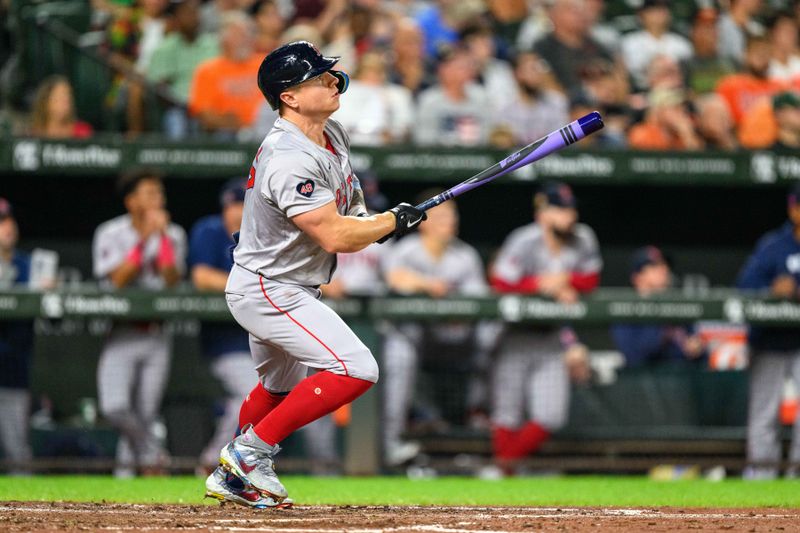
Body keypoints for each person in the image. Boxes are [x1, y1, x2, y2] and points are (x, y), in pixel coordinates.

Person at [202, 41, 427, 508]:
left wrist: (378, 221)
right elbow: (334, 236)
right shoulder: (287, 156)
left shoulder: (332, 133)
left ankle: (234, 478)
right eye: (318, 76)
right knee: (356, 367)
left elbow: (349, 205)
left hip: (287, 282)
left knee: (277, 388)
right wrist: (389, 223)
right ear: (289, 96)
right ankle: (248, 453)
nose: (331, 80)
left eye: (330, 73)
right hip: (270, 286)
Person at [486, 181, 598, 476]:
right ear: (542, 213)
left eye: (570, 208)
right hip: (515, 336)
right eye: (560, 209)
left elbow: (591, 279)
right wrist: (539, 284)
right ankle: (505, 476)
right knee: (506, 416)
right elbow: (501, 283)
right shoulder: (523, 240)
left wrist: (565, 281)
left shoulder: (583, 238)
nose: (568, 216)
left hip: (550, 338)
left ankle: (501, 468)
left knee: (551, 415)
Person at [380, 191, 489, 466]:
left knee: (491, 335)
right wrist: (429, 285)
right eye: (442, 215)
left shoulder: (465, 255)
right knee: (399, 353)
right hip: (415, 335)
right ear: (424, 221)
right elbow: (395, 279)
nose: (449, 221)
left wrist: (454, 309)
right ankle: (391, 441)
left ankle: (480, 423)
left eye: (453, 215)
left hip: (455, 337)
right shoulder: (407, 249)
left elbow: (481, 299)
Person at [92, 168, 187, 477]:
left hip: (157, 334)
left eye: (159, 194)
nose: (157, 200)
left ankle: (126, 476)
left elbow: (171, 279)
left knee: (145, 415)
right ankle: (153, 453)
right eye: (149, 194)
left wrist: (160, 237)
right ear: (131, 202)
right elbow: (118, 280)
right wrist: (144, 237)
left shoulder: (173, 234)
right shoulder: (110, 232)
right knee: (114, 406)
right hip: (122, 332)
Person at [737, 183, 800, 479]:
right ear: (792, 208)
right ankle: (762, 477)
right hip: (771, 340)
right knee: (764, 414)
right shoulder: (773, 245)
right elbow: (745, 288)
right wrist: (772, 291)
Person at [189, 178, 252, 474]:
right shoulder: (209, 230)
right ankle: (214, 459)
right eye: (233, 204)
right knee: (250, 392)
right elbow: (201, 277)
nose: (238, 211)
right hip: (225, 342)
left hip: (262, 338)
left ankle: (242, 461)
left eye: (244, 204)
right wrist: (250, 287)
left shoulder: (262, 233)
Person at [611, 246, 704, 368]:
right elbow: (634, 356)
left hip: (681, 380)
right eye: (655, 266)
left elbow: (699, 351)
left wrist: (697, 349)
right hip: (643, 383)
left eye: (664, 265)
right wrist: (663, 333)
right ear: (637, 277)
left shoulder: (678, 306)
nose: (664, 270)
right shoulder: (625, 309)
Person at [146, 0, 219, 139]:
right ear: (176, 18)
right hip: (178, 107)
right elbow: (158, 86)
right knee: (176, 122)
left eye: (194, 12)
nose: (191, 17)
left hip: (210, 107)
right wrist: (181, 104)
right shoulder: (165, 48)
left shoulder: (213, 44)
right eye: (186, 13)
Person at [187, 11, 263, 137]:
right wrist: (235, 125)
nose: (246, 38)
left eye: (249, 33)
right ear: (224, 39)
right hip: (228, 134)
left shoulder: (265, 63)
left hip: (268, 130)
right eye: (239, 34)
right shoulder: (207, 70)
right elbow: (204, 114)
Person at [0, 198, 34, 475]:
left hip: (12, 371)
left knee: (17, 452)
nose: (7, 227)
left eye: (8, 220)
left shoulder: (28, 265)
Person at [532, 0, 614, 100]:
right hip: (566, 108)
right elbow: (546, 85)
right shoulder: (543, 48)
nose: (581, 14)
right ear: (553, 15)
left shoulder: (595, 45)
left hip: (605, 105)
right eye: (572, 10)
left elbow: (614, 74)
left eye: (582, 10)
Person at [413, 44, 490, 146]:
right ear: (443, 70)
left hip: (477, 157)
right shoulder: (429, 100)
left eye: (468, 67)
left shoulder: (481, 97)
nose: (467, 71)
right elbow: (424, 139)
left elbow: (488, 134)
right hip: (439, 157)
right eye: (460, 67)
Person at [620, 0, 693, 92]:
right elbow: (627, 75)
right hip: (641, 92)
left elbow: (687, 75)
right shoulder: (629, 43)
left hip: (676, 92)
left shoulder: (681, 44)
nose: (659, 14)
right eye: (653, 10)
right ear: (641, 14)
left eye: (663, 9)